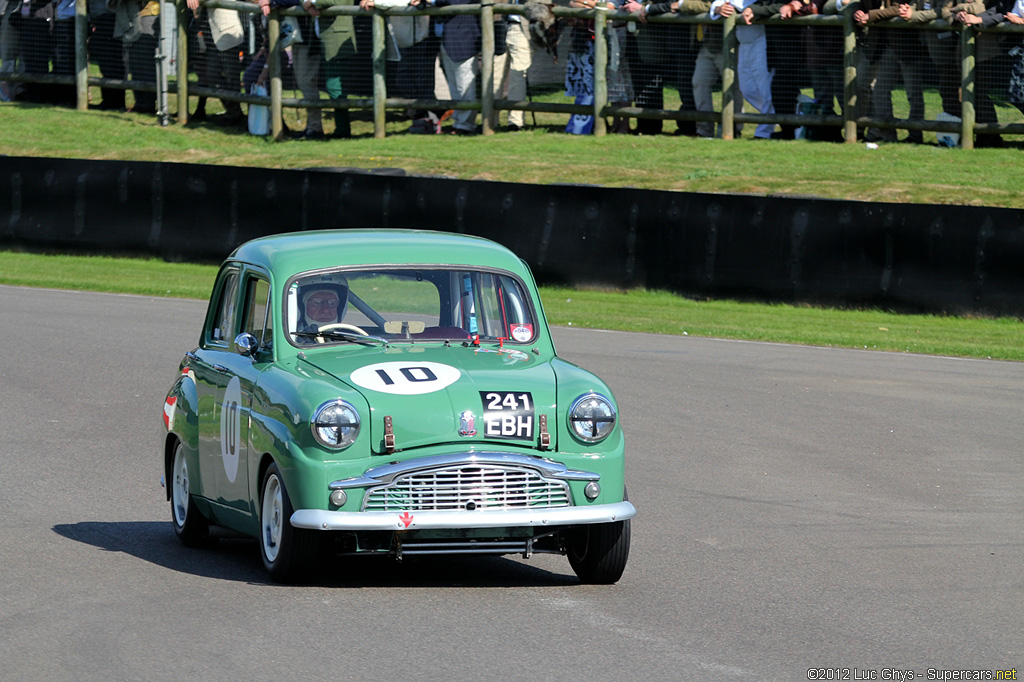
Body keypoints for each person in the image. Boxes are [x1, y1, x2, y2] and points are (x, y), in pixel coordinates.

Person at [854, 0, 926, 143]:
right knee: (880, 90)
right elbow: (861, 3)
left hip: (908, 45)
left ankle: (915, 135)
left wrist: (871, 16)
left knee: (913, 93)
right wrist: (857, 11)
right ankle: (887, 134)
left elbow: (899, 8)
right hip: (886, 46)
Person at [303, 0, 359, 137]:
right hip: (321, 40)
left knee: (335, 88)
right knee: (333, 87)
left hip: (338, 40)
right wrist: (305, 3)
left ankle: (342, 131)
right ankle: (341, 130)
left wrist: (312, 2)